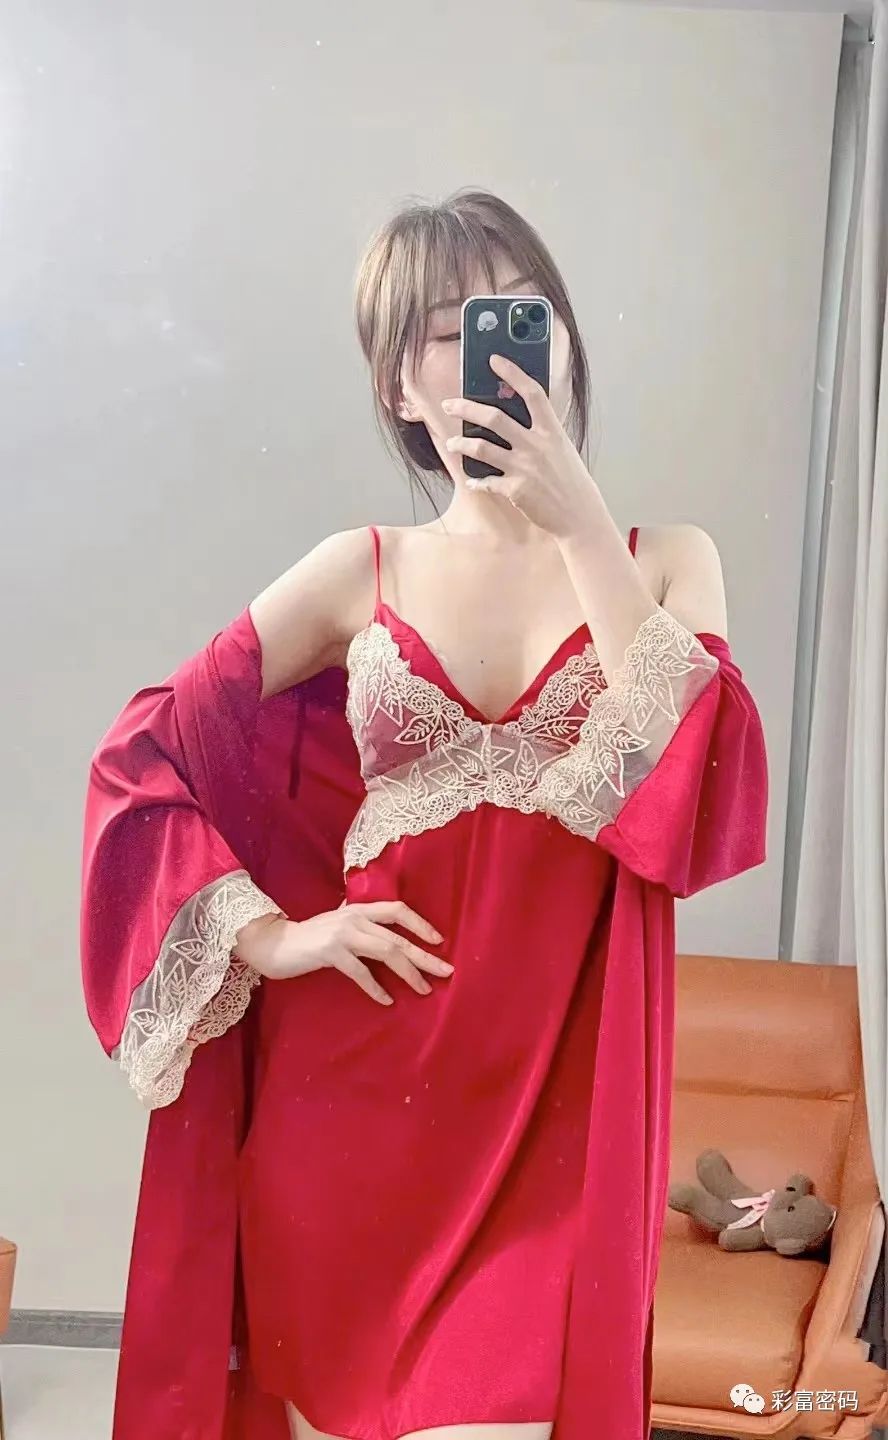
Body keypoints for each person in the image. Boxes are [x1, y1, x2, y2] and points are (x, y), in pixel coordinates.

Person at [80, 188, 769, 1440]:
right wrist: (273, 938)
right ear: (400, 383)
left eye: (523, 312)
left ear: (564, 342)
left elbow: (698, 796)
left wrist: (577, 524)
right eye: (450, 330)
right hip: (351, 1106)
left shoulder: (668, 560)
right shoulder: (362, 571)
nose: (494, 349)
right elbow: (148, 753)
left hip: (556, 1121)